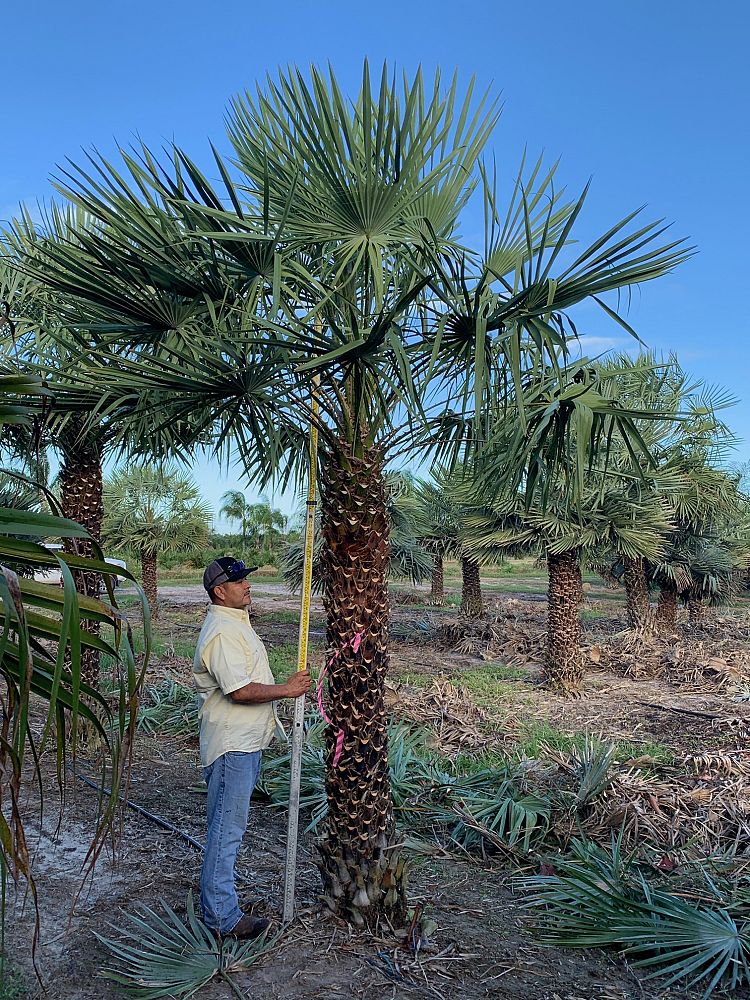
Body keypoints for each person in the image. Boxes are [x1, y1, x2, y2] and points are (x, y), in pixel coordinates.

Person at [193, 556, 311, 939]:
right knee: (226, 831)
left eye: (246, 578)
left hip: (243, 743)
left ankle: (219, 906)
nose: (247, 585)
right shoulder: (223, 633)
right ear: (219, 591)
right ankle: (222, 917)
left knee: (227, 827)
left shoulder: (235, 623)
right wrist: (287, 690)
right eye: (238, 581)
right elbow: (240, 690)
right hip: (233, 747)